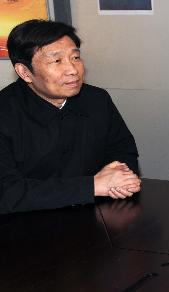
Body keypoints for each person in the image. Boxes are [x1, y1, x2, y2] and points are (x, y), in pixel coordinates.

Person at [0, 19, 141, 214]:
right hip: (24, 225)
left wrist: (120, 179)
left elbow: (123, 150)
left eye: (75, 57)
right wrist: (91, 186)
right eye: (57, 61)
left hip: (96, 215)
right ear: (25, 72)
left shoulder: (97, 99)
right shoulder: (6, 112)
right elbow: (7, 192)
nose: (73, 70)